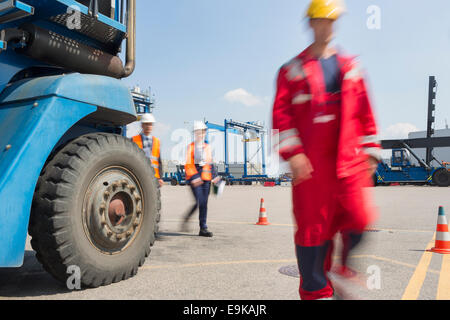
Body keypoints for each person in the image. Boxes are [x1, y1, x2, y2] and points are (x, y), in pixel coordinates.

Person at [272, 0, 381, 300]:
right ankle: (316, 290)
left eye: (331, 21)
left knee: (359, 219)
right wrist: (293, 154)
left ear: (335, 24)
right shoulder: (291, 70)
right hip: (311, 168)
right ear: (311, 24)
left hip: (348, 163)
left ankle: (340, 266)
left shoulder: (352, 67)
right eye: (320, 20)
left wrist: (370, 150)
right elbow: (281, 115)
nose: (326, 26)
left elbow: (365, 113)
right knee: (312, 233)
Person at [182, 121, 220, 237]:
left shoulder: (207, 147)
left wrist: (215, 176)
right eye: (198, 132)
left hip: (206, 178)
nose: (201, 134)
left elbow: (210, 163)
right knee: (200, 201)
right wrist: (194, 177)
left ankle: (203, 228)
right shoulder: (191, 147)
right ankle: (188, 217)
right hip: (195, 177)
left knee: (204, 203)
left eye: (203, 131)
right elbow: (188, 163)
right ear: (195, 133)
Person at [132, 113, 164, 187]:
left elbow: (159, 162)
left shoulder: (157, 142)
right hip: (139, 175)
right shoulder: (133, 140)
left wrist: (160, 178)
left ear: (152, 126)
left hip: (154, 177)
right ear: (142, 125)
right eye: (146, 124)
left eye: (150, 124)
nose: (148, 126)